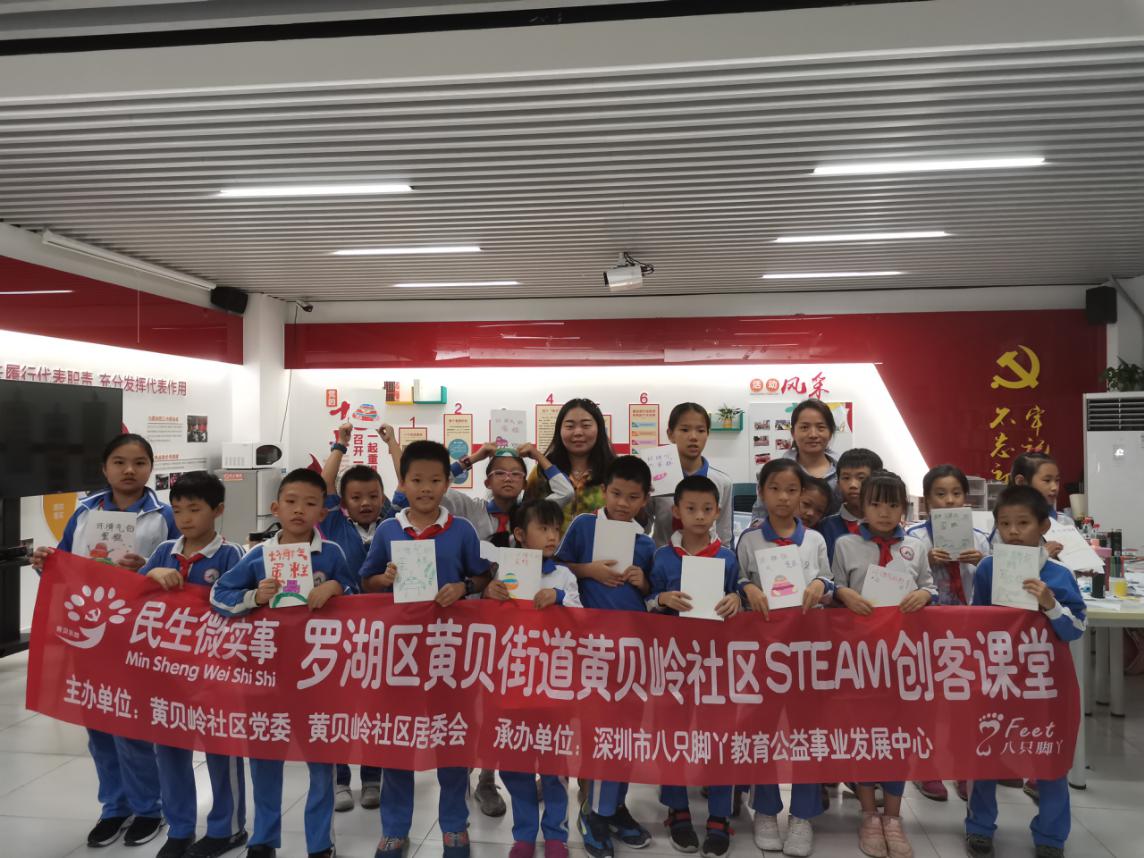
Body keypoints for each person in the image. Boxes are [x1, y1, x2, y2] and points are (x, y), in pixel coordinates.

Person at [31, 433, 178, 849]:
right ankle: (114, 807)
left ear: (151, 468)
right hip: (90, 634)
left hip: (140, 636)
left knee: (133, 725)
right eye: (119, 462)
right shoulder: (84, 512)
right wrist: (44, 563)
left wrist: (147, 568)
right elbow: (64, 565)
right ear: (104, 468)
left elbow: (180, 572)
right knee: (98, 725)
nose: (129, 470)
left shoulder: (165, 516)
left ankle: (149, 808)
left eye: (139, 462)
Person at [210, 468, 359, 858]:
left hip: (318, 675)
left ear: (322, 513)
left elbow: (360, 595)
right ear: (275, 508)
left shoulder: (333, 553)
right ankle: (263, 839)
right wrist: (254, 598)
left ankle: (320, 843)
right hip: (267, 675)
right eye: (291, 502)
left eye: (310, 504)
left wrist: (336, 586)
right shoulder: (258, 555)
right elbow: (219, 593)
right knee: (264, 759)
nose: (299, 510)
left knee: (321, 762)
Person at [358, 440, 492, 858]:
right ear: (403, 483)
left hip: (450, 654)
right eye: (417, 480)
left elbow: (483, 576)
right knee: (397, 739)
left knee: (452, 738)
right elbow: (366, 581)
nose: (426, 488)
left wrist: (464, 587)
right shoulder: (388, 530)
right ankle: (395, 828)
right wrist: (384, 578)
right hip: (400, 654)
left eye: (435, 480)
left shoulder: (462, 530)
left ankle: (454, 825)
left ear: (448, 483)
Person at [964, 485, 1086, 858]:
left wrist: (1050, 604)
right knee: (985, 752)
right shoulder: (987, 568)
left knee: (1049, 756)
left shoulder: (1059, 575)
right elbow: (975, 622)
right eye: (1005, 524)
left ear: (1043, 526)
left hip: (1043, 684)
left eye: (1023, 523)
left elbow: (1076, 628)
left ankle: (1051, 834)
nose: (1013, 531)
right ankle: (979, 826)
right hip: (997, 679)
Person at [139, 471, 249, 858]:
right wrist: (151, 573)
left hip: (216, 673)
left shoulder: (231, 555)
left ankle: (228, 828)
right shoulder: (163, 552)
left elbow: (243, 604)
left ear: (217, 510)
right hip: (168, 672)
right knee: (169, 750)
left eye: (194, 509)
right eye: (178, 509)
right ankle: (180, 828)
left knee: (222, 749)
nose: (185, 518)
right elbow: (134, 594)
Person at [555, 455, 656, 858]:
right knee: (601, 732)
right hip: (591, 651)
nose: (622, 503)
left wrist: (643, 581)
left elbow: (654, 595)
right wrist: (589, 571)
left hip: (632, 653)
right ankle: (594, 812)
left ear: (645, 499)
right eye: (616, 493)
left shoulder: (646, 543)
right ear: (603, 491)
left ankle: (614, 807)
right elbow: (557, 567)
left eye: (633, 497)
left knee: (626, 732)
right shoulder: (584, 525)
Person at [831, 470, 935, 858]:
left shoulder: (915, 548)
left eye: (893, 505)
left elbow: (929, 585)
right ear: (862, 506)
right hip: (859, 660)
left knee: (898, 739)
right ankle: (868, 814)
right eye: (876, 504)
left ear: (903, 508)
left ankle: (893, 816)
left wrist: (925, 595)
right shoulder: (845, 545)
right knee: (864, 735)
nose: (884, 512)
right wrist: (843, 594)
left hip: (902, 660)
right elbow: (832, 585)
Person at [736, 459, 833, 857]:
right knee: (763, 729)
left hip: (806, 650)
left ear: (802, 495)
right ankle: (765, 808)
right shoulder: (749, 540)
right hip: (763, 651)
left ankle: (802, 815)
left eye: (792, 490)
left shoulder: (815, 540)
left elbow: (829, 581)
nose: (783, 497)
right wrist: (746, 587)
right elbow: (737, 580)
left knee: (806, 731)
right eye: (775, 488)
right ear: (762, 492)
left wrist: (819, 584)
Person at [647, 475, 741, 857]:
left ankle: (719, 816)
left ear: (717, 511)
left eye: (707, 509)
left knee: (720, 737)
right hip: (673, 664)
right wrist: (661, 599)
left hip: (717, 665)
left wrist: (736, 600)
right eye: (691, 508)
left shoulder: (727, 558)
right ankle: (678, 810)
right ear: (676, 511)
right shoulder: (662, 557)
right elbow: (647, 604)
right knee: (673, 736)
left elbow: (739, 600)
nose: (699, 516)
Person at [483, 498, 581, 858]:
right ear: (521, 534)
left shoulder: (564, 576)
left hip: (553, 686)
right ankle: (523, 834)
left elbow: (583, 617)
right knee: (515, 763)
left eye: (557, 529)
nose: (553, 536)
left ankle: (555, 833)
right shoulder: (505, 572)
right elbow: (488, 624)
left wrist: (559, 597)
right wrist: (489, 595)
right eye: (544, 528)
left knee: (555, 765)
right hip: (513, 684)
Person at [320, 422, 395, 812]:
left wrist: (392, 442)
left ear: (383, 497)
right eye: (356, 497)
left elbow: (408, 482)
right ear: (343, 502)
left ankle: (372, 778)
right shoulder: (333, 523)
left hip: (384, 635)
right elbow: (324, 485)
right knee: (338, 708)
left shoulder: (394, 523)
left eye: (373, 495)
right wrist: (340, 444)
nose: (366, 502)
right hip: (340, 634)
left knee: (376, 709)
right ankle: (339, 780)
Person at [905, 464, 990, 803]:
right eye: (940, 494)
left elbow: (999, 583)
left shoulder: (981, 539)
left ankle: (963, 767)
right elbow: (900, 579)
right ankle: (925, 768)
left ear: (966, 498)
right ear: (927, 501)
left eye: (956, 493)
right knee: (927, 702)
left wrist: (984, 563)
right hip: (925, 631)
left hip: (968, 631)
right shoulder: (914, 539)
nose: (949, 500)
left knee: (965, 702)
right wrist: (924, 559)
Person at [388, 428, 573, 547]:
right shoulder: (471, 509)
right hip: (477, 590)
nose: (508, 478)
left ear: (524, 484)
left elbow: (566, 492)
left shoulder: (532, 514)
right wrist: (475, 457)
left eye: (516, 474)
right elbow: (437, 484)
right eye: (499, 473)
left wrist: (537, 456)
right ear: (487, 482)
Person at [647, 403, 734, 547]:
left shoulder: (722, 482)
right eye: (685, 429)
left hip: (706, 558)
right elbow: (643, 527)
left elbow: (724, 536)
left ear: (707, 434)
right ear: (670, 434)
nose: (693, 437)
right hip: (663, 558)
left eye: (700, 430)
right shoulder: (655, 479)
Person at [524, 398, 616, 532]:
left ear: (599, 429)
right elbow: (525, 517)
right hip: (551, 545)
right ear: (559, 430)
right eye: (570, 426)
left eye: (586, 425)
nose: (578, 432)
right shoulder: (542, 472)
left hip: (602, 545)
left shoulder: (614, 472)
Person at [750, 400, 839, 520]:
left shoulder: (842, 473)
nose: (813, 434)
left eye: (821, 427)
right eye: (804, 427)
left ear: (831, 432)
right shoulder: (775, 472)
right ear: (793, 432)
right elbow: (760, 516)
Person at [818, 448, 883, 562]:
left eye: (861, 478)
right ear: (838, 483)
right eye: (846, 478)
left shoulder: (887, 523)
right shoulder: (825, 527)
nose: (853, 484)